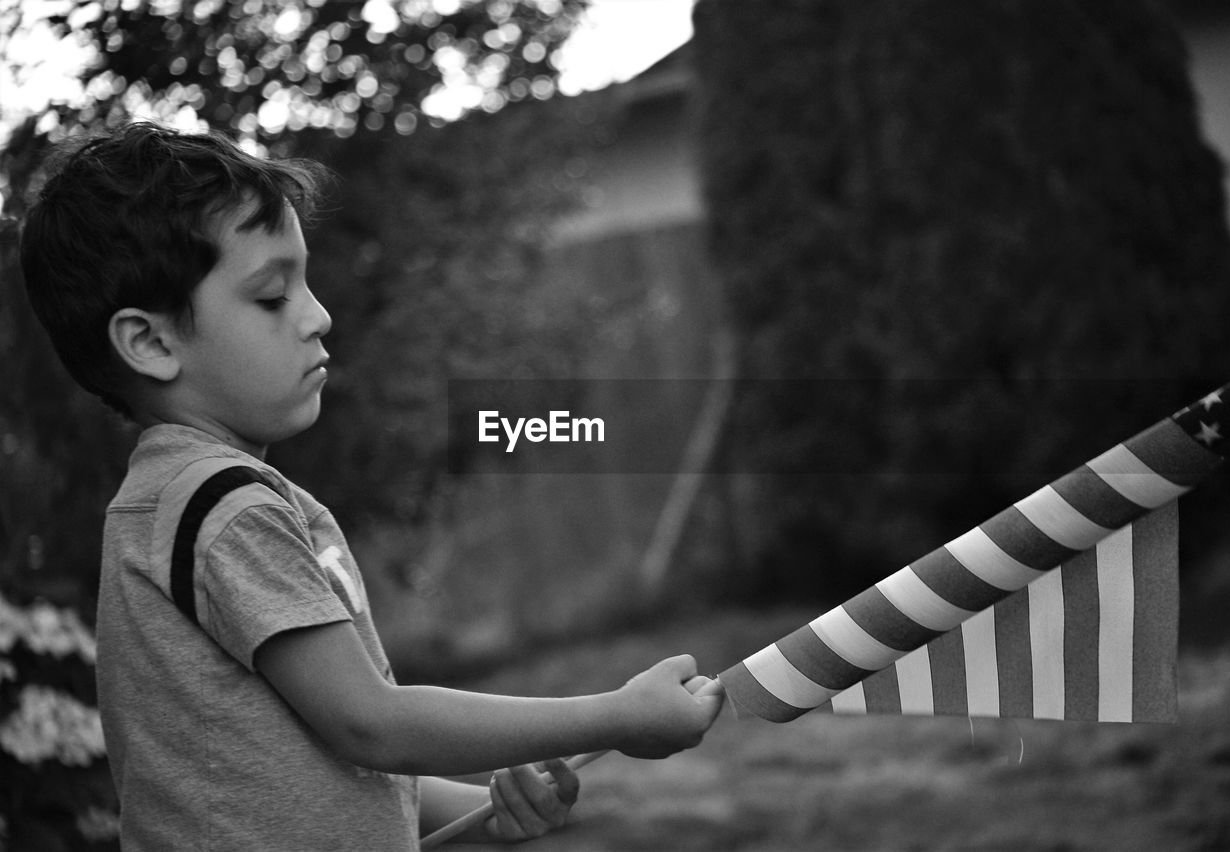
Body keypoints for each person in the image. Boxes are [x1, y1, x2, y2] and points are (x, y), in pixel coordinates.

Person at [20, 121, 724, 850]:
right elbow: (374, 725)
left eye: (305, 281)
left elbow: (326, 763)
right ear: (152, 343)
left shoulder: (181, 504)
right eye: (270, 297)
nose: (318, 315)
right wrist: (616, 715)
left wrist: (479, 806)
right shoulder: (220, 509)